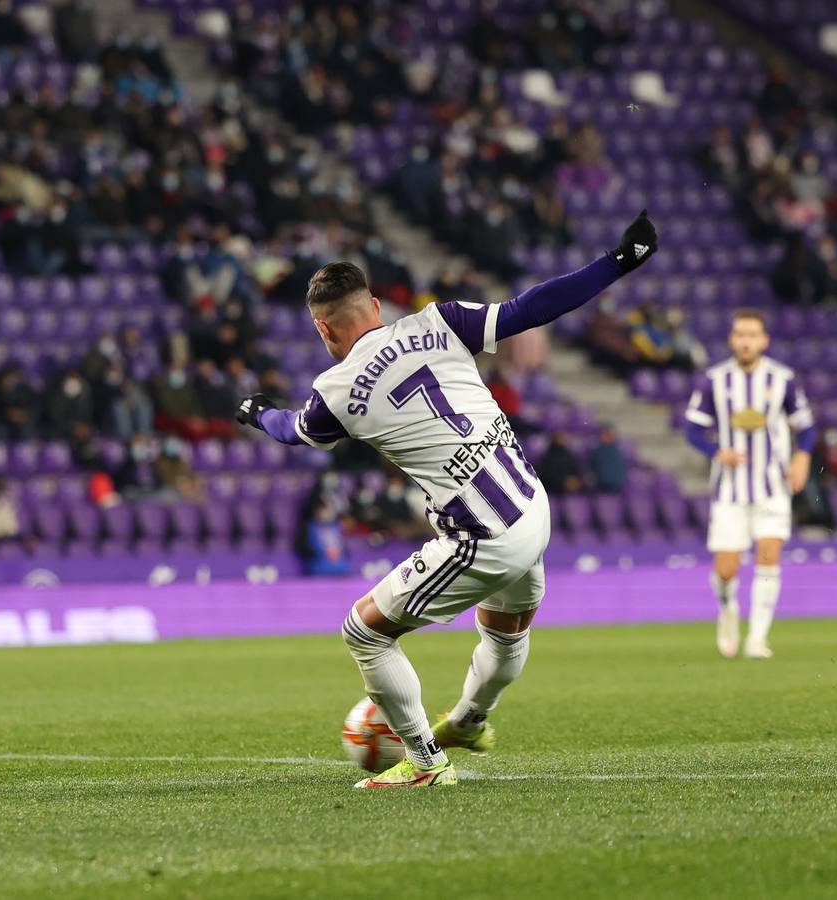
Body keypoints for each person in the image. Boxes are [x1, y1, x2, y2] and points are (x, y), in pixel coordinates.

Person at [237, 212, 657, 788]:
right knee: (505, 631)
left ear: (323, 329)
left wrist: (257, 412)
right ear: (377, 306)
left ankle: (428, 764)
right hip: (533, 506)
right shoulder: (440, 321)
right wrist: (618, 261)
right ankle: (469, 719)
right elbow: (534, 307)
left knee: (364, 632)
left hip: (483, 536)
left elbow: (293, 431)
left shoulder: (336, 393)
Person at [684, 308, 815, 660]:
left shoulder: (783, 379)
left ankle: (757, 637)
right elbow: (692, 429)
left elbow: (805, 425)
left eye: (753, 334)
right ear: (732, 339)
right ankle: (728, 610)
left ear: (764, 340)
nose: (746, 341)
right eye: (740, 334)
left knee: (769, 558)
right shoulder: (714, 380)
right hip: (729, 489)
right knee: (726, 570)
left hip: (772, 486)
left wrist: (802, 458)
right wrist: (716, 451)